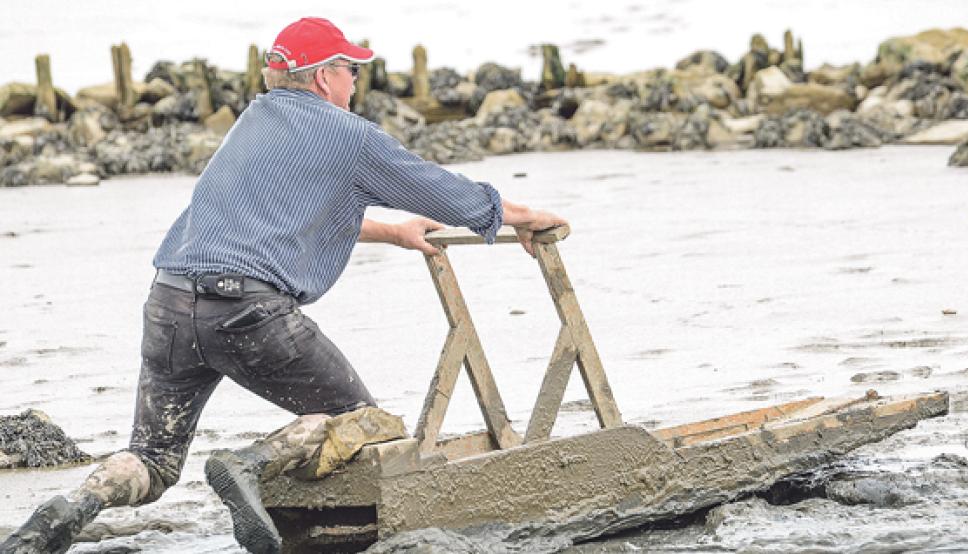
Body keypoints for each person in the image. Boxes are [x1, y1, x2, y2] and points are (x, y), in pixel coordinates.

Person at [0, 15, 566, 554]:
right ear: (325, 76)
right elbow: (448, 193)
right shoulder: (349, 136)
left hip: (169, 304)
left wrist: (393, 231)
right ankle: (251, 464)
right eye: (352, 71)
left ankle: (72, 508)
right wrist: (521, 216)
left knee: (154, 458)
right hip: (246, 312)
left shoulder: (255, 122)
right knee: (363, 427)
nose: (355, 84)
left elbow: (279, 213)